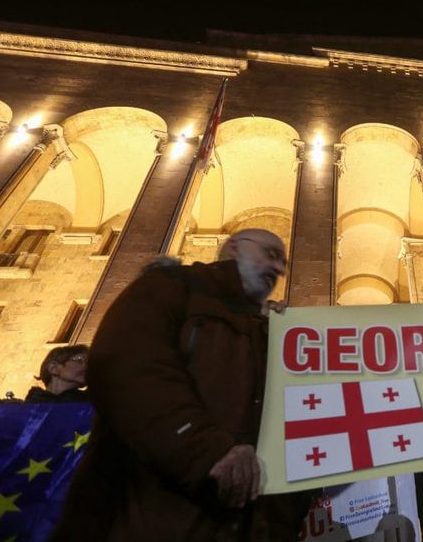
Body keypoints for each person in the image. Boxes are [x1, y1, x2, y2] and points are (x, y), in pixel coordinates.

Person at [51, 229, 312, 541]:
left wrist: (281, 336)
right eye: (270, 254)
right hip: (151, 516)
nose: (280, 269)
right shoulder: (168, 287)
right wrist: (207, 449)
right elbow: (128, 367)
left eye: (283, 262)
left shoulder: (268, 327)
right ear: (234, 247)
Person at [25, 344, 90, 403]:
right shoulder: (30, 407)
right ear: (53, 368)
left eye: (89, 363)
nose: (86, 366)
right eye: (79, 360)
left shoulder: (91, 402)